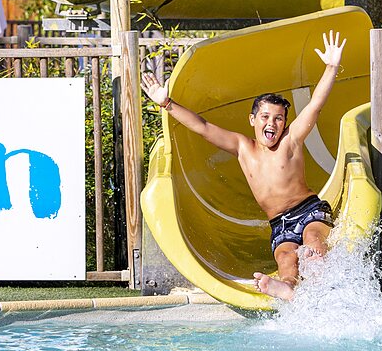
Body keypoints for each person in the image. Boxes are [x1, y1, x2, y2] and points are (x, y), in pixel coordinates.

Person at [141, 31, 346, 300]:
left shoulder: (291, 140)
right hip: (279, 223)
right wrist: (167, 103)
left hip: (309, 210)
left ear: (285, 122)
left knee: (313, 243)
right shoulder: (242, 147)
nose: (271, 124)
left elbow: (316, 105)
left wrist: (331, 67)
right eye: (265, 117)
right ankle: (287, 287)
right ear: (252, 120)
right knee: (285, 258)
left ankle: (321, 283)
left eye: (278, 118)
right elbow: (202, 127)